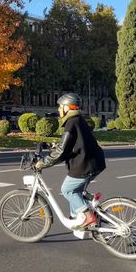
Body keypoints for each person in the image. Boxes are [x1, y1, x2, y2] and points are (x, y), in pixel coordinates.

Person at [35, 93, 106, 229]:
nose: (58, 110)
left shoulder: (71, 123)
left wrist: (42, 163)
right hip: (95, 162)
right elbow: (74, 143)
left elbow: (61, 152)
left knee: (67, 190)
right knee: (76, 191)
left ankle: (88, 216)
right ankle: (77, 217)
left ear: (67, 108)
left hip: (85, 165)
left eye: (60, 107)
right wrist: (55, 145)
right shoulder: (78, 120)